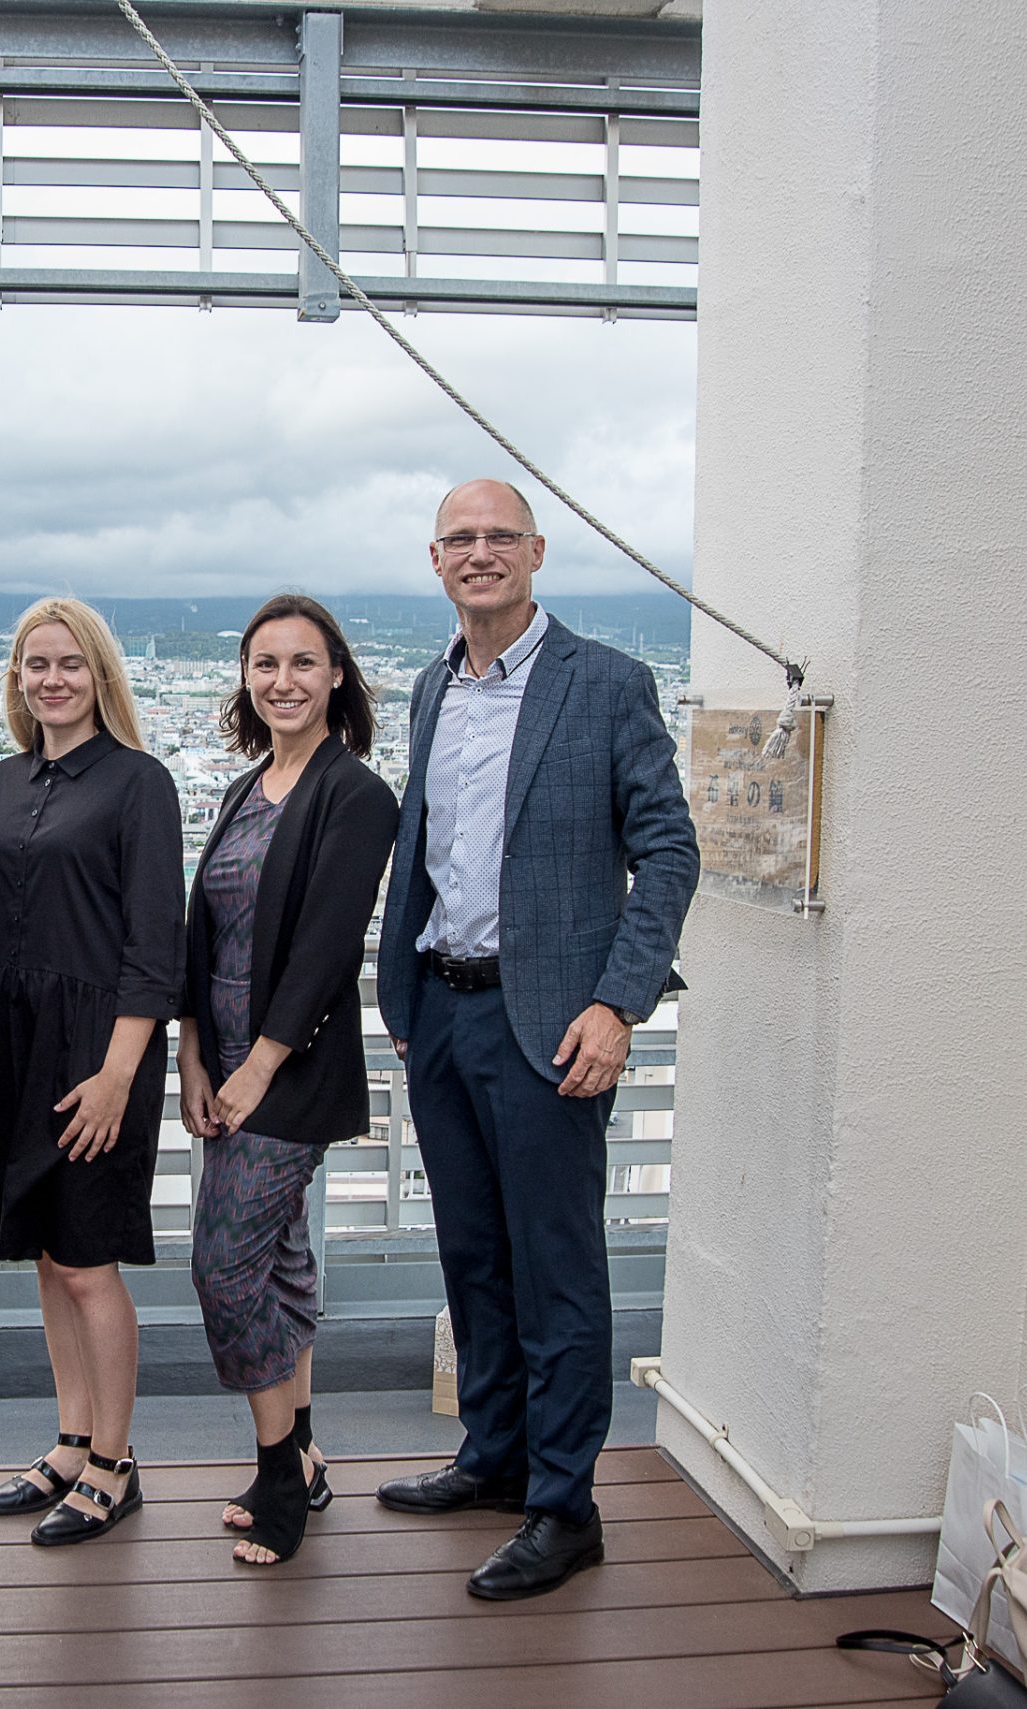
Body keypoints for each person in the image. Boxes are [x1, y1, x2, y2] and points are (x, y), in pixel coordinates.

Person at [374, 479, 699, 1600]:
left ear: (537, 551)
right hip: (444, 1010)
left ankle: (564, 1506)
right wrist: (408, 1006)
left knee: (555, 1268)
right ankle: (495, 1455)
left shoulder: (605, 683)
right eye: (460, 538)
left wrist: (618, 1003)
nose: (480, 553)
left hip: (555, 1022)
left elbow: (668, 850)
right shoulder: (432, 686)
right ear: (435, 559)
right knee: (472, 1255)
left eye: (499, 536)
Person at [0, 598, 183, 1546]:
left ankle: (115, 1465)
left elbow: (154, 948)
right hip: (8, 1048)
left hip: (96, 1052)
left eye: (70, 663)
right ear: (17, 678)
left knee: (88, 1260)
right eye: (36, 664)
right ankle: (71, 1441)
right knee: (46, 1257)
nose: (52, 679)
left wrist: (119, 1075)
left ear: (101, 675)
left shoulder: (139, 782)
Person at [178, 594, 399, 1567]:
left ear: (336, 674)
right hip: (223, 1060)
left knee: (224, 1265)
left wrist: (257, 1068)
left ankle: (276, 1473)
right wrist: (193, 1052)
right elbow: (204, 932)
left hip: (288, 1071)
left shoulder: (357, 796)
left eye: (302, 662)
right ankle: (303, 1451)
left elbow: (324, 948)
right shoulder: (243, 787)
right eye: (264, 664)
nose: (282, 681)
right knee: (276, 1261)